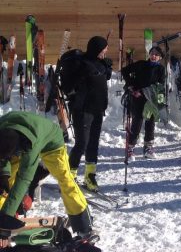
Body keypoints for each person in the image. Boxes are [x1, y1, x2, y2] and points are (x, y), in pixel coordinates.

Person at [0, 112, 94, 241]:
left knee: (65, 179)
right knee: (6, 178)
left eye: (17, 154)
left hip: (51, 143)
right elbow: (2, 158)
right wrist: (4, 176)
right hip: (17, 137)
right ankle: (6, 215)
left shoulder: (30, 145)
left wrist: (6, 214)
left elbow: (24, 178)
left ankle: (84, 225)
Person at [68, 35, 112, 192]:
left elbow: (102, 78)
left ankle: (90, 176)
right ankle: (70, 176)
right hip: (82, 110)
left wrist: (107, 68)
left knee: (93, 144)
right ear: (97, 49)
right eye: (104, 49)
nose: (106, 51)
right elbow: (78, 82)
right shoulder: (82, 64)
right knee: (82, 144)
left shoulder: (99, 64)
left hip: (97, 110)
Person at [121, 45, 167, 160]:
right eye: (152, 53)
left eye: (156, 55)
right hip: (137, 98)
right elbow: (125, 71)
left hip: (151, 99)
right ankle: (130, 148)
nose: (153, 56)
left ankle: (148, 148)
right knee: (137, 122)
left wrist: (160, 102)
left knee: (150, 123)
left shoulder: (161, 69)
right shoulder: (141, 64)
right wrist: (131, 85)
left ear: (160, 57)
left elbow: (160, 86)